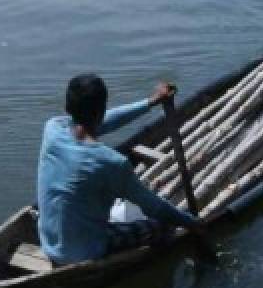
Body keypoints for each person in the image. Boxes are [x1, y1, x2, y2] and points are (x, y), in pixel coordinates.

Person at [36, 73, 201, 266]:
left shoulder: (52, 129)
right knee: (162, 226)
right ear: (101, 110)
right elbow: (154, 207)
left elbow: (103, 122)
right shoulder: (112, 163)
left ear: (67, 108)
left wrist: (150, 102)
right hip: (84, 253)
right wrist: (191, 222)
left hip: (48, 242)